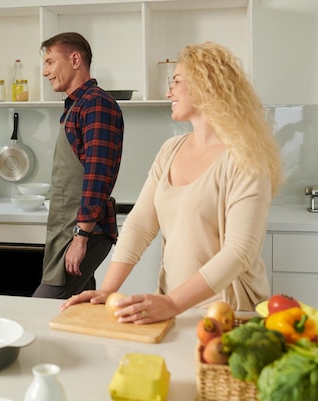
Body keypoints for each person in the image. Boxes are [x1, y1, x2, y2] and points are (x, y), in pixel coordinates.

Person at [61, 41, 283, 323]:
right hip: (173, 309)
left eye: (177, 81)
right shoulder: (171, 149)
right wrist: (107, 290)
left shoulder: (247, 158)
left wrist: (172, 303)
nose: (169, 92)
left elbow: (239, 251)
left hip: (231, 313)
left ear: (207, 85)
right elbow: (141, 224)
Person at [32, 32, 124, 299]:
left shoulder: (96, 104)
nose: (45, 72)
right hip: (70, 230)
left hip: (84, 231)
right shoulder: (76, 106)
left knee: (39, 310)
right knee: (78, 312)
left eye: (50, 62)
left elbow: (97, 175)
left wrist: (80, 237)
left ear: (74, 60)